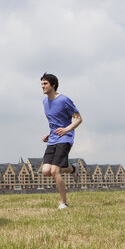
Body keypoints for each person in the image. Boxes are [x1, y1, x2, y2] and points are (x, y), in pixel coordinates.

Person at [40, 73, 82, 209]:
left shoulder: (64, 100)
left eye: (45, 84)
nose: (42, 86)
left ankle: (63, 203)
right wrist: (49, 133)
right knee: (46, 171)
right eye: (41, 84)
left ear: (53, 85)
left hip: (65, 138)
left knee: (55, 171)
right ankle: (73, 168)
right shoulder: (45, 102)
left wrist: (66, 130)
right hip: (53, 138)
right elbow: (54, 122)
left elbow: (78, 118)